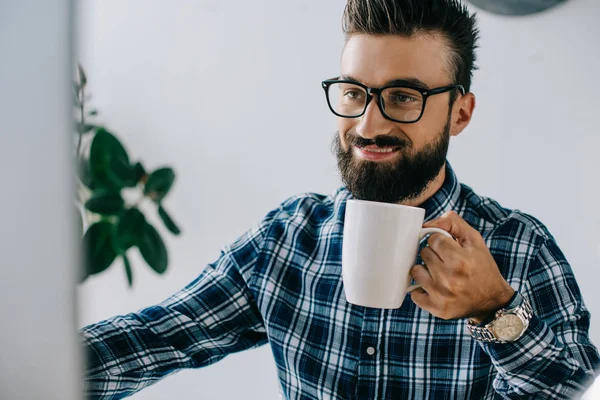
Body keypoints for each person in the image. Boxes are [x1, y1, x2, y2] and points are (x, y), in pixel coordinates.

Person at [81, 0, 600, 398]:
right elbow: (154, 338)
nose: (369, 124)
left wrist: (494, 311)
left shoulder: (519, 249)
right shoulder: (286, 241)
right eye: (354, 93)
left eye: (404, 97)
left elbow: (578, 388)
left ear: (459, 114)